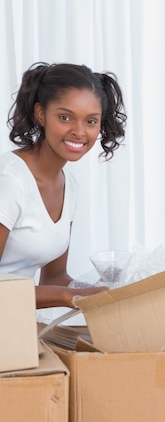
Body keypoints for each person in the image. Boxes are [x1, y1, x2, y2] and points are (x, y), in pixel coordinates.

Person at [0, 62, 127, 309]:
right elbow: (58, 292)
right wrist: (69, 297)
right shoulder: (10, 181)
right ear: (40, 114)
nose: (79, 132)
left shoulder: (70, 184)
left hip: (15, 322)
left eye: (91, 121)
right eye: (65, 117)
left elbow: (54, 277)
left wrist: (105, 292)